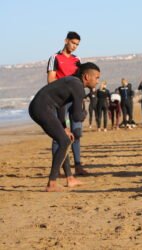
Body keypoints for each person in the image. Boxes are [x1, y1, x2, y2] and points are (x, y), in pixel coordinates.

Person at [29, 62, 100, 192]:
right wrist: (85, 112)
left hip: (40, 107)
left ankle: (70, 179)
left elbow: (61, 105)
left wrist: (63, 127)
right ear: (86, 77)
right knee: (64, 141)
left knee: (65, 139)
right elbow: (77, 116)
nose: (97, 81)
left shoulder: (73, 82)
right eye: (96, 77)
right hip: (42, 108)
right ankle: (52, 183)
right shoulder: (78, 86)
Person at [47, 31, 86, 175]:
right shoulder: (55, 58)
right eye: (73, 43)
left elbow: (80, 80)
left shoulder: (77, 59)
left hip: (75, 101)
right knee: (60, 135)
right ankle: (57, 170)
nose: (75, 46)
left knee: (76, 132)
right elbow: (51, 80)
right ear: (66, 41)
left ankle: (78, 166)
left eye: (77, 44)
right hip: (61, 102)